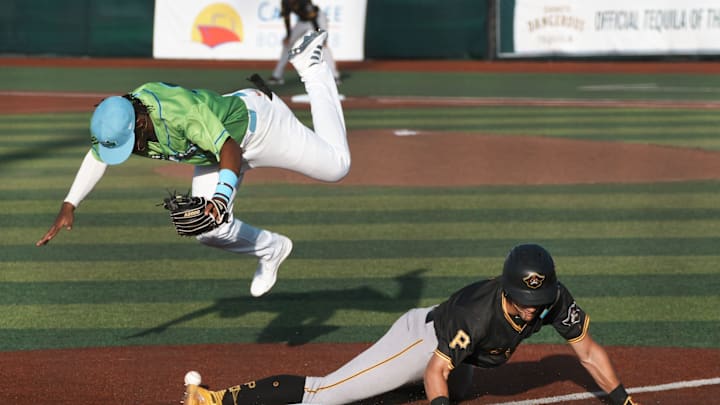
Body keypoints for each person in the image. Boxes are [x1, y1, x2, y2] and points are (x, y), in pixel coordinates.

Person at [36, 30, 350, 298]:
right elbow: (97, 156)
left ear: (141, 122)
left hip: (262, 128)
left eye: (129, 143)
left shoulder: (180, 114)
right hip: (213, 150)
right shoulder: (119, 118)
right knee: (208, 229)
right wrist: (70, 204)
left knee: (337, 166)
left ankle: (312, 66)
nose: (130, 150)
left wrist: (222, 196)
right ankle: (272, 249)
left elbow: (229, 147)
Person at [182, 244, 640, 405]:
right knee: (327, 394)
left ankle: (381, 388)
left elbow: (588, 350)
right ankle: (216, 399)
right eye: (523, 302)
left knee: (460, 391)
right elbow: (436, 370)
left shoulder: (551, 299)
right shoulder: (476, 313)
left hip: (462, 356)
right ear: (507, 290)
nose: (529, 311)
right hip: (423, 343)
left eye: (536, 301)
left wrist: (622, 400)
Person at [268, 0, 341, 85]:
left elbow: (313, 18)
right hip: (302, 21)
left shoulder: (304, 1)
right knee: (288, 43)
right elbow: (286, 18)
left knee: (322, 45)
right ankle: (277, 76)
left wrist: (320, 35)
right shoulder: (285, 2)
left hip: (318, 19)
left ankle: (334, 76)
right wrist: (288, 36)